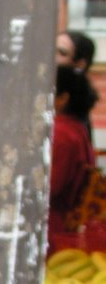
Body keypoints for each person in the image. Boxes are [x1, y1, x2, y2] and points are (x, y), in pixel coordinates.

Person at [49, 64, 98, 255]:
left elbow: (47, 188)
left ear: (62, 99)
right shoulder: (76, 129)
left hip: (52, 233)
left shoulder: (60, 134)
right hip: (65, 227)